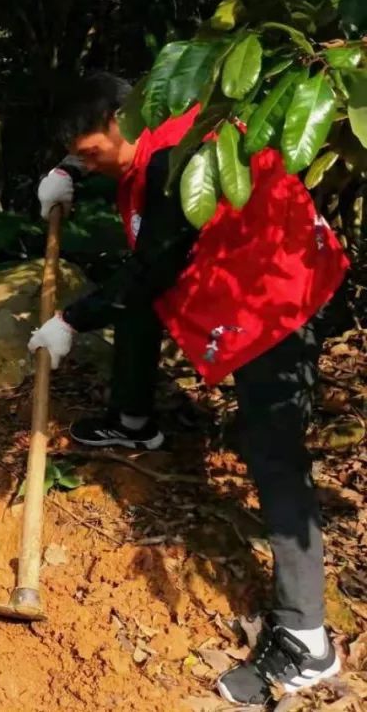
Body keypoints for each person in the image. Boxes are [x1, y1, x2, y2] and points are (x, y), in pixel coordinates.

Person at [29, 71, 349, 705]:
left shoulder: (178, 163)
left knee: (274, 453)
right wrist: (71, 169)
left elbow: (152, 267)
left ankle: (307, 636)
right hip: (259, 272)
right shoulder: (167, 108)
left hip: (276, 296)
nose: (89, 167)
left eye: (91, 154)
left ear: (121, 122)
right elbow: (138, 219)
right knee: (142, 302)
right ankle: (133, 421)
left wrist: (71, 319)